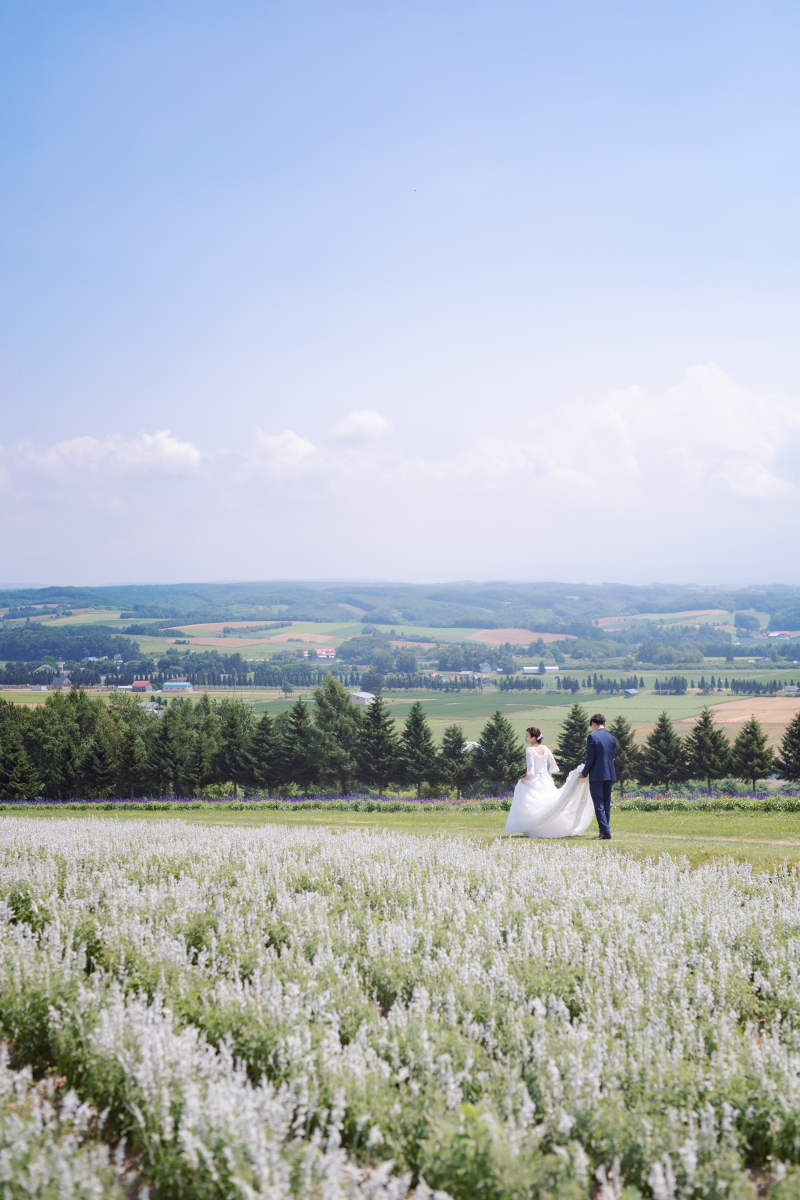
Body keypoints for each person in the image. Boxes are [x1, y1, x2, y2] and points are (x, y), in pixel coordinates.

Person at [504, 726, 594, 838]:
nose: (525, 738)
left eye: (527, 736)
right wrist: (547, 774)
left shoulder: (530, 750)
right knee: (548, 803)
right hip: (545, 779)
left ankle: (532, 825)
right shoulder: (546, 748)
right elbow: (554, 765)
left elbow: (530, 770)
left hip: (535, 779)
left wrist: (524, 779)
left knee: (529, 796)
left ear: (533, 738)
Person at [579, 713, 616, 840]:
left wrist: (584, 773)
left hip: (596, 775)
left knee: (599, 804)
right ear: (604, 724)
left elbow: (590, 759)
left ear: (593, 724)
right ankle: (603, 830)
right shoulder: (612, 738)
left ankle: (605, 832)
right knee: (606, 804)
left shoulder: (592, 737)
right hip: (610, 774)